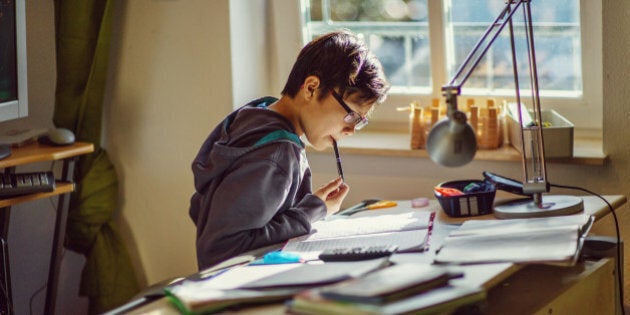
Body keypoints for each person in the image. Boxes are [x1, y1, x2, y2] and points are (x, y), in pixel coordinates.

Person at [189, 30, 390, 270]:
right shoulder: (276, 153)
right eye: (351, 116)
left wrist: (312, 205)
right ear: (311, 89)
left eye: (360, 121)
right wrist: (309, 212)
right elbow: (221, 250)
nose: (351, 130)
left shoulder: (255, 115)